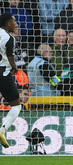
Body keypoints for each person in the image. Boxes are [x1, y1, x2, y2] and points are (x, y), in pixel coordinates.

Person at [0, 13, 21, 148]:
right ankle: (2, 130)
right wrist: (15, 68)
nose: (16, 24)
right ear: (8, 24)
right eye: (14, 22)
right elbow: (10, 57)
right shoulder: (9, 37)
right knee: (16, 105)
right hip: (3, 73)